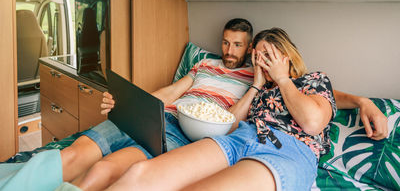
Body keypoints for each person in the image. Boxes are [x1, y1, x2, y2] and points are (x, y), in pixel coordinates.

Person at [62, 20, 388, 191]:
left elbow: (314, 121)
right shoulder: (257, 88)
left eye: (269, 54)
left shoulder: (314, 80)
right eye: (258, 55)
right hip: (238, 138)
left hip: (287, 148)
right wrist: (259, 84)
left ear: (287, 56)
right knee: (140, 174)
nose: (261, 60)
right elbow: (229, 122)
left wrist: (361, 100)